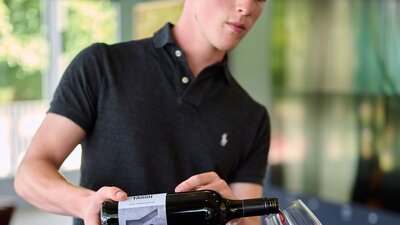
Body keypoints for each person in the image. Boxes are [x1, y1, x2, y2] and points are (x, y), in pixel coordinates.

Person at [14, 0, 269, 225]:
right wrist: (85, 203)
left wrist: (237, 220)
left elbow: (250, 219)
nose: (246, 7)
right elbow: (29, 175)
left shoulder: (252, 117)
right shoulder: (102, 65)